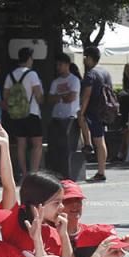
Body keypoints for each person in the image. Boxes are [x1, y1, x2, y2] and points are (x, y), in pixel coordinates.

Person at [2, 47, 44, 175]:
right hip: (32, 112)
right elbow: (38, 95)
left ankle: (24, 173)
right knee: (37, 144)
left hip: (17, 114)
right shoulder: (32, 74)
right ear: (29, 59)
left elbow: (5, 96)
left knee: (21, 144)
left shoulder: (10, 75)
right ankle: (34, 172)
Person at [79, 47, 114, 181]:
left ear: (89, 58)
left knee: (98, 140)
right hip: (104, 110)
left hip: (93, 111)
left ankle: (88, 145)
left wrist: (82, 111)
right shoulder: (105, 72)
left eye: (85, 57)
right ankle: (101, 170)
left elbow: (87, 94)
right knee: (101, 140)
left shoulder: (90, 74)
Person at [46, 53, 81, 179]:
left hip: (69, 118)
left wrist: (59, 97)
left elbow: (72, 97)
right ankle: (55, 174)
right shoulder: (56, 82)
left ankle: (67, 176)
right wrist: (62, 97)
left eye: (60, 65)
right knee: (55, 148)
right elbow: (50, 98)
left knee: (66, 149)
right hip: (56, 117)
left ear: (67, 65)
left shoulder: (74, 80)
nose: (58, 67)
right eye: (57, 65)